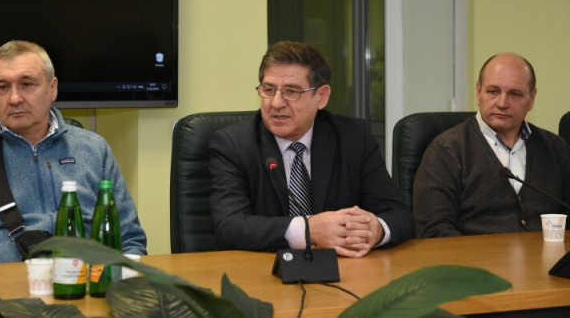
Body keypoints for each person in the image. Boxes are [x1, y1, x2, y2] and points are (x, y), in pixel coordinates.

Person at [0, 40, 147, 265]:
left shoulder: (94, 149)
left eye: (27, 84)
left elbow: (130, 240)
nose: (14, 98)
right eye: (2, 87)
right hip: (1, 283)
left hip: (87, 281)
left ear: (52, 88)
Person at [209, 41, 414, 258]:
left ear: (321, 97)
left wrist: (376, 229)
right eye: (269, 89)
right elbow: (230, 226)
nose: (276, 103)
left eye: (291, 91)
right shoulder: (234, 144)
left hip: (342, 269)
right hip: (263, 269)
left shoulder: (353, 138)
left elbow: (399, 215)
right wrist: (308, 230)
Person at [414, 52, 570, 238]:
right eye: (493, 91)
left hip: (547, 256)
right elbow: (433, 229)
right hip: (474, 256)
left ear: (532, 98)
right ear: (478, 92)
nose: (502, 103)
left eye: (515, 94)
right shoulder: (447, 150)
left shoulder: (555, 148)